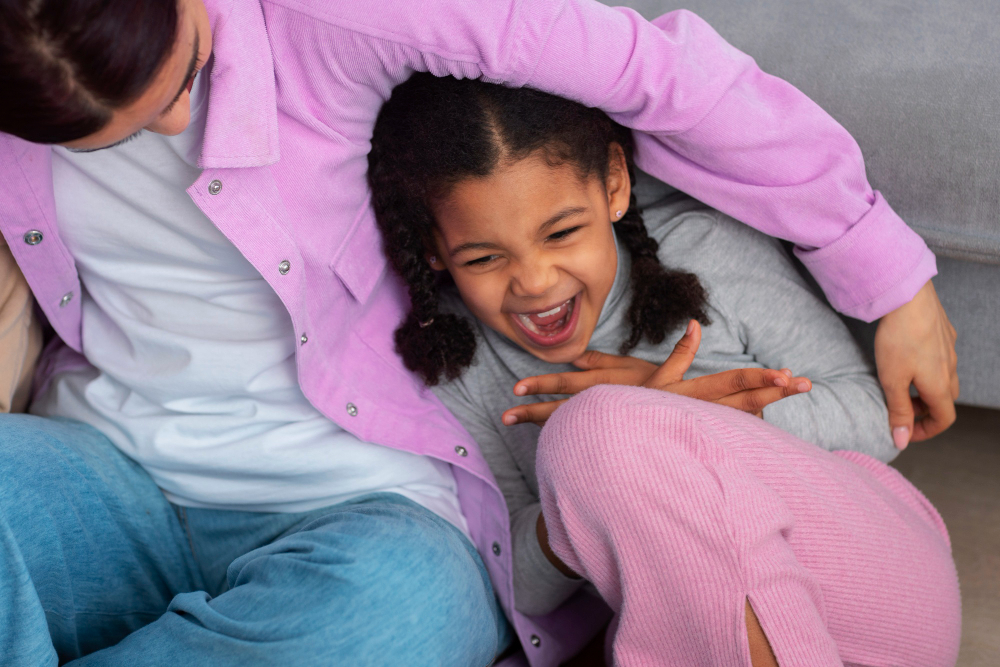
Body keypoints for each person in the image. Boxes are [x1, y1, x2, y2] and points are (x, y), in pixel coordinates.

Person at [0, 0, 957, 663]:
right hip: (108, 466)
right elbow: (542, 561)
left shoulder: (330, 23)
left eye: (187, 77)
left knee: (399, 610)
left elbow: (663, 73)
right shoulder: (468, 349)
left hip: (368, 517)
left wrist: (889, 273)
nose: (178, 126)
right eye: (111, 136)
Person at [367, 73, 961, 666]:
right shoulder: (463, 360)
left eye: (563, 232)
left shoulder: (705, 251)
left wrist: (679, 420)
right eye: (484, 258)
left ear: (615, 184)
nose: (535, 282)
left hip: (877, 590)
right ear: (434, 249)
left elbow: (878, 417)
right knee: (599, 436)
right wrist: (596, 484)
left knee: (595, 427)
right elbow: (521, 586)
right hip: (704, 642)